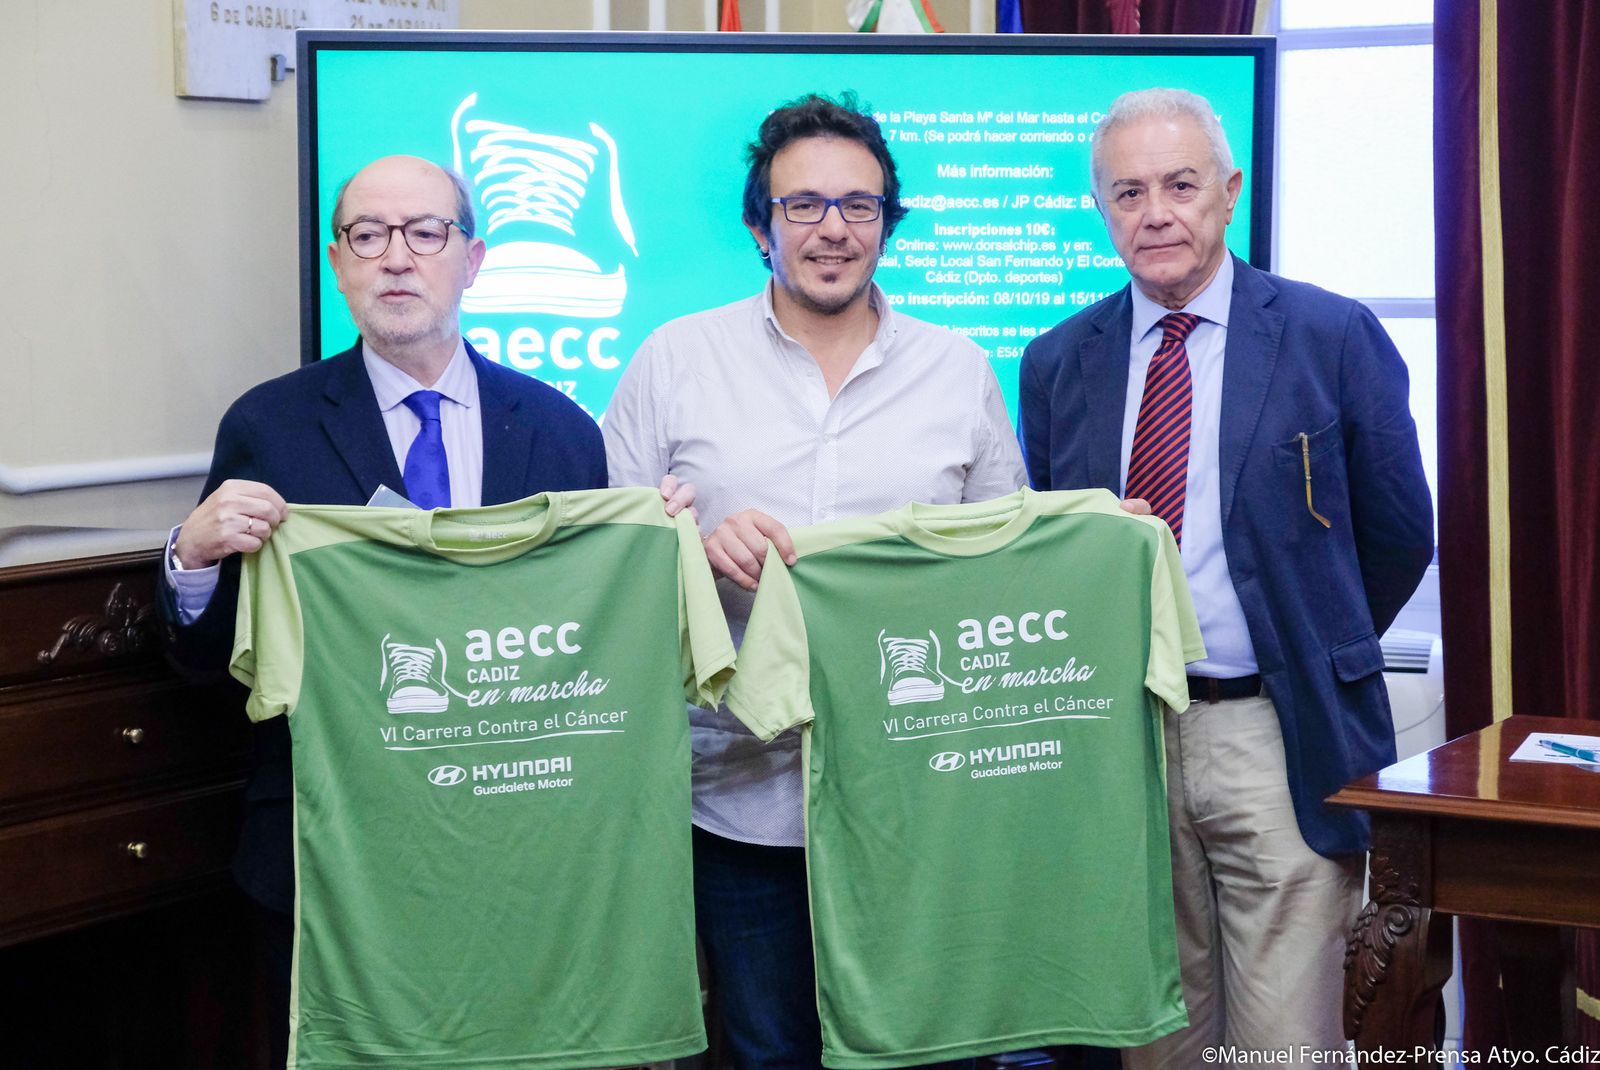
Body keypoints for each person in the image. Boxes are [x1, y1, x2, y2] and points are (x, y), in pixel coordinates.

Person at [156, 155, 667, 1069]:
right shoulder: (269, 427)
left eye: (425, 233)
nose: (397, 258)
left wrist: (650, 547)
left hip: (523, 849)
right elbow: (207, 665)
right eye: (368, 236)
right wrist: (192, 558)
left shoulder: (558, 429)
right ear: (339, 261)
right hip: (334, 856)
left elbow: (594, 647)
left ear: (472, 259)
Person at [603, 93, 1027, 1069]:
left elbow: (1001, 573)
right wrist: (693, 543)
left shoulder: (958, 371)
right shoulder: (674, 360)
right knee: (768, 1051)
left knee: (935, 1048)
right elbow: (608, 566)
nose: (833, 229)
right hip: (739, 800)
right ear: (760, 226)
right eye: (803, 206)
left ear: (888, 224)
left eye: (860, 206)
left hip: (920, 803)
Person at [1018, 88, 1434, 1067]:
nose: (1154, 211)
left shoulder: (1329, 335)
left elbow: (1397, 532)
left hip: (1274, 731)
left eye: (1179, 184)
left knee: (1285, 1041)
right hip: (1120, 737)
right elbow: (1050, 545)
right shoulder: (1055, 362)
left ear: (1228, 192)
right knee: (1153, 1036)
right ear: (1100, 207)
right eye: (1126, 192)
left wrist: (1307, 640)